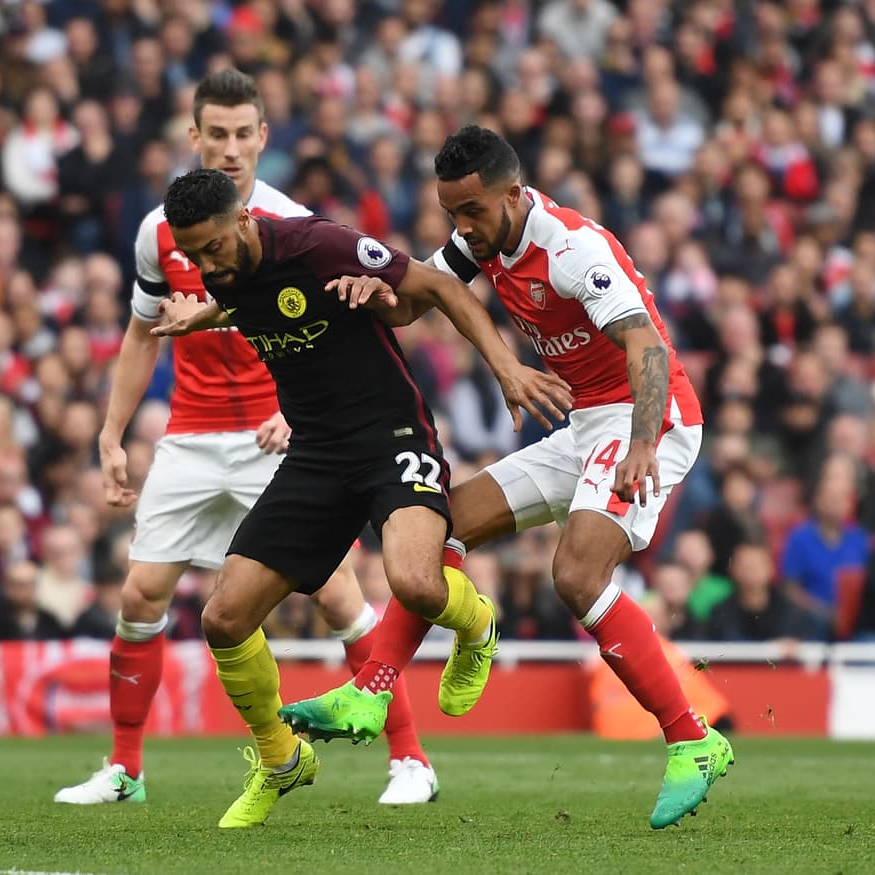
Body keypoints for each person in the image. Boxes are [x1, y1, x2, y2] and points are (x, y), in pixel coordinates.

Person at [280, 125, 732, 830]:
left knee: (577, 576)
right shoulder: (478, 239)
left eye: (473, 212)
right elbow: (409, 303)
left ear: (514, 195)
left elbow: (645, 342)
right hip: (587, 420)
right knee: (440, 526)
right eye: (451, 214)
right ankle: (371, 691)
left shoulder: (572, 248)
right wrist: (368, 290)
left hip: (652, 416)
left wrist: (643, 441)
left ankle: (691, 737)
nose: (462, 228)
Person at [55, 71, 446, 808]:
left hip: (280, 435)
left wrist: (300, 416)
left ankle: (410, 759)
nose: (231, 149)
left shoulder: (291, 224)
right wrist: (111, 433)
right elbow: (143, 333)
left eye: (244, 134)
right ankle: (125, 769)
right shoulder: (159, 230)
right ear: (194, 137)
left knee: (338, 596)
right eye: (217, 134)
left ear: (263, 137)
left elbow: (341, 332)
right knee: (140, 594)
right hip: (192, 432)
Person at [144, 167, 568, 829]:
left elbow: (438, 286)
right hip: (315, 453)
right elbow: (252, 295)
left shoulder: (318, 245)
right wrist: (209, 311)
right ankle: (281, 759)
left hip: (390, 433)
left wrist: (507, 368)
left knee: (415, 583)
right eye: (194, 255)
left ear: (245, 221)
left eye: (215, 248)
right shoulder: (219, 271)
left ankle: (477, 623)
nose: (207, 263)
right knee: (223, 618)